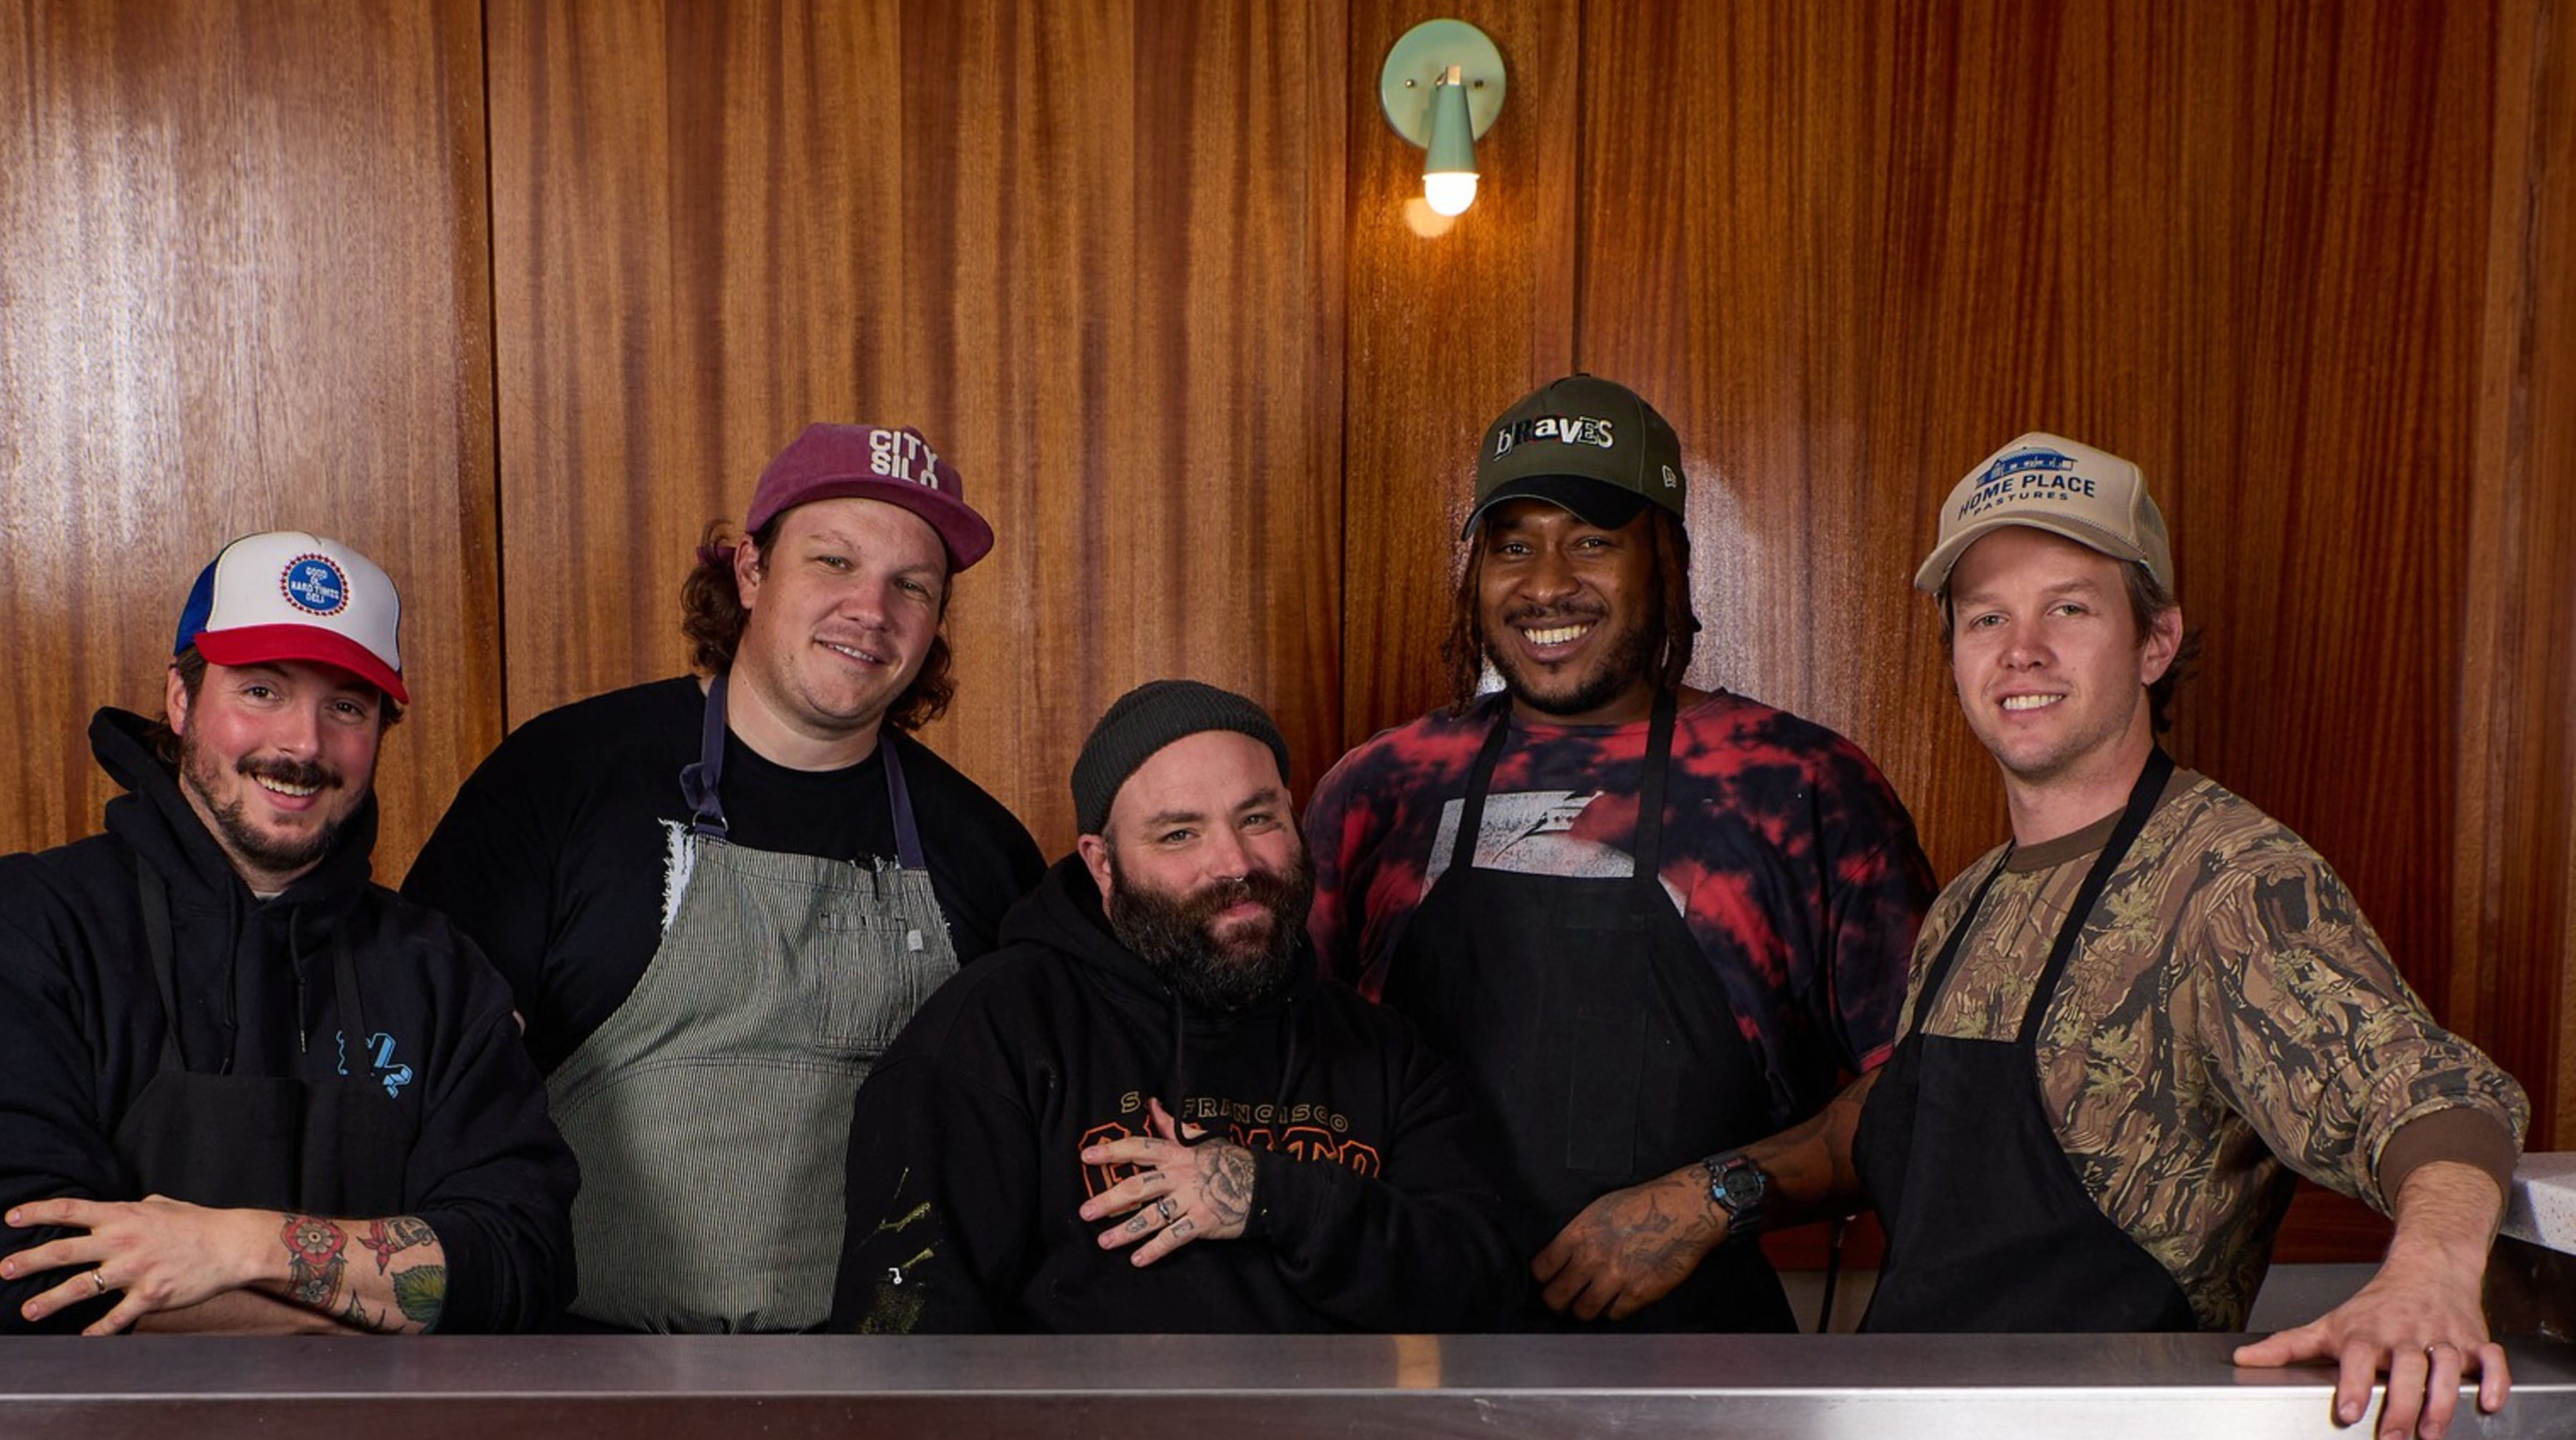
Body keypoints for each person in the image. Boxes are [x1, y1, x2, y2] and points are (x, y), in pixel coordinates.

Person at [1595, 430, 2526, 1440]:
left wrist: (2428, 1278)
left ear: (2155, 639)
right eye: (1985, 615)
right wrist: (1708, 1195)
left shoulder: (2228, 882)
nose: (2020, 648)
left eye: (2068, 607)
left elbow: (2430, 1089)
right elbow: (1899, 1136)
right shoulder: (1968, 901)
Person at [1303, 373, 1933, 1330]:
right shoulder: (1377, 788)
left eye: (1592, 540)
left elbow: (1926, 1095)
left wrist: (1708, 1200)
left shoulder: (1792, 785)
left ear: (1667, 559)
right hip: (1410, 1361)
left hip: (1698, 1381)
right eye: (1513, 544)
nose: (1547, 583)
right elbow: (1278, 1074)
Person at [405, 424, 1043, 1333]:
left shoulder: (982, 845)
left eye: (912, 586)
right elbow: (431, 1077)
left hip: (880, 1395)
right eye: (833, 561)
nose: (871, 608)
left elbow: (1014, 1141)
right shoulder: (566, 775)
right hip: (580, 1377)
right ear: (750, 572)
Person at [0, 531, 578, 1335]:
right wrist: (375, 1305)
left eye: (345, 707)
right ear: (181, 699)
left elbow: (519, 1260)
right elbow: (30, 1269)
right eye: (261, 691)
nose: (303, 744)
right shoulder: (33, 922)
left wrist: (239, 1245)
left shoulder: (437, 972)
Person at [833, 681, 1524, 1336]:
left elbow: (1483, 1291)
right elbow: (902, 1343)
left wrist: (1273, 1194)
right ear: (1102, 865)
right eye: (1178, 834)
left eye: (1257, 818)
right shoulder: (990, 1037)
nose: (1233, 863)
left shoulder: (1381, 1051)